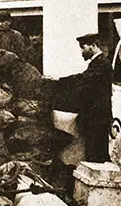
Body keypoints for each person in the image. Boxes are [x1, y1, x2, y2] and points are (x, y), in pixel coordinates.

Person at [44, 33, 113, 163]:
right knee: (94, 153)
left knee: (97, 155)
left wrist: (59, 80)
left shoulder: (102, 64)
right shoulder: (97, 63)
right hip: (95, 117)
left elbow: (83, 79)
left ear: (93, 46)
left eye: (83, 47)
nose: (81, 51)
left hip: (97, 118)